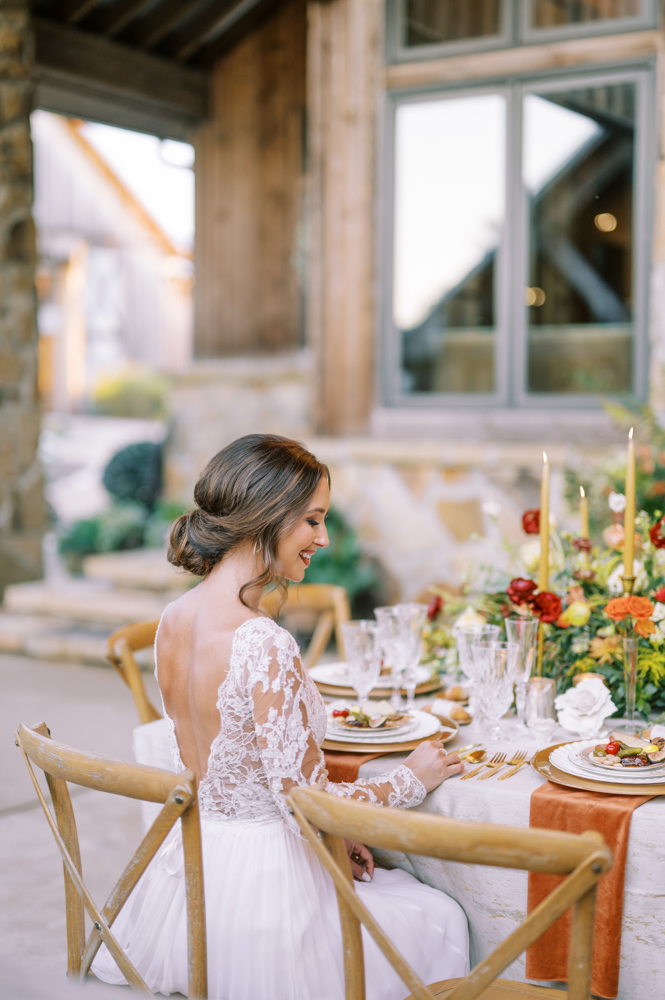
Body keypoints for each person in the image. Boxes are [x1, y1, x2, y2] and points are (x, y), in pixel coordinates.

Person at [92, 434, 469, 999]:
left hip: (196, 876)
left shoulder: (175, 617)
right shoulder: (263, 642)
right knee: (440, 915)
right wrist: (411, 779)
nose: (322, 537)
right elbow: (305, 808)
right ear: (266, 517)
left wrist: (339, 834)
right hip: (269, 889)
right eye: (312, 520)